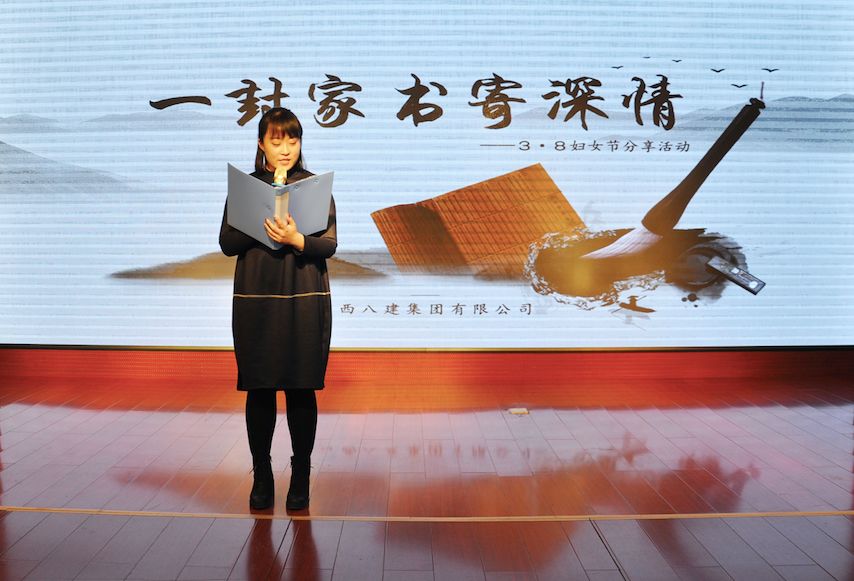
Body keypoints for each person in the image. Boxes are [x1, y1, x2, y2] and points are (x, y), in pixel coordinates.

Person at [219, 107, 336, 511]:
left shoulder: (314, 187)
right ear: (261, 144)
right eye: (276, 140)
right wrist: (263, 220)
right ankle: (262, 474)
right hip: (257, 299)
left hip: (304, 297)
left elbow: (329, 245)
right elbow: (227, 243)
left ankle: (300, 474)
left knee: (301, 389)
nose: (285, 149)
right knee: (260, 388)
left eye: (293, 140)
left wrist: (296, 239)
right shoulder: (246, 188)